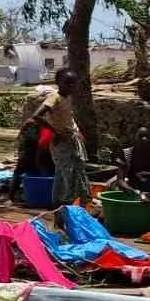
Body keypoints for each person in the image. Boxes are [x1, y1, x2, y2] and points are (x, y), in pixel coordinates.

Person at [25, 68, 87, 206]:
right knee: (65, 173)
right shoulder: (54, 97)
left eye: (73, 83)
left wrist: (77, 132)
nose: (71, 86)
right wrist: (55, 131)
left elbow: (68, 118)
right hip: (61, 141)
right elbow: (36, 116)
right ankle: (62, 205)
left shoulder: (67, 97)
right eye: (67, 83)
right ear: (58, 82)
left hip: (71, 138)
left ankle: (77, 201)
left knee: (78, 170)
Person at [111, 127, 150, 201]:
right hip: (133, 188)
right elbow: (120, 180)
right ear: (135, 138)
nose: (144, 139)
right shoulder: (126, 154)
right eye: (141, 136)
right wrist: (136, 192)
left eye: (147, 136)